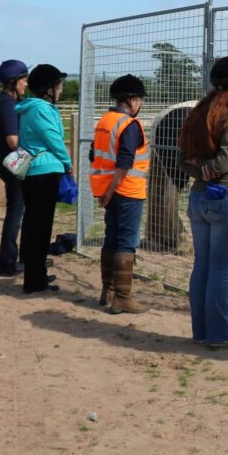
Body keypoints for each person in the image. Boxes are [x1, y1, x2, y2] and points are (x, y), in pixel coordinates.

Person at [177, 55, 228, 348]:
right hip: (227, 197)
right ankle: (220, 334)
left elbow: (183, 158)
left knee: (202, 267)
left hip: (198, 197)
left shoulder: (199, 112)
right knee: (220, 271)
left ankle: (201, 331)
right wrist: (215, 169)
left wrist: (201, 171)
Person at [90, 74, 150, 314]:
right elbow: (124, 163)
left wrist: (105, 192)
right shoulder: (130, 125)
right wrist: (113, 189)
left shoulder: (104, 120)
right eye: (140, 100)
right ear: (132, 101)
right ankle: (123, 297)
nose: (141, 104)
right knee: (126, 242)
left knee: (111, 239)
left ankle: (108, 291)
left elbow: (94, 156)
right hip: (128, 191)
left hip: (108, 191)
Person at [14, 64, 74, 294]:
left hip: (33, 171)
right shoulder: (42, 109)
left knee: (33, 224)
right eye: (58, 85)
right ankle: (34, 280)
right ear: (48, 89)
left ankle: (36, 273)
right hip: (44, 171)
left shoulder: (30, 108)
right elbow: (53, 140)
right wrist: (67, 163)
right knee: (41, 226)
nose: (61, 89)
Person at [0, 59, 29, 276]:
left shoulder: (6, 100)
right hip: (12, 162)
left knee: (17, 209)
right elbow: (13, 141)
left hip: (7, 161)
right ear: (13, 81)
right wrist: (32, 155)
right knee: (16, 211)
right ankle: (7, 262)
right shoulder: (6, 103)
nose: (26, 83)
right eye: (23, 79)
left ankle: (17, 258)